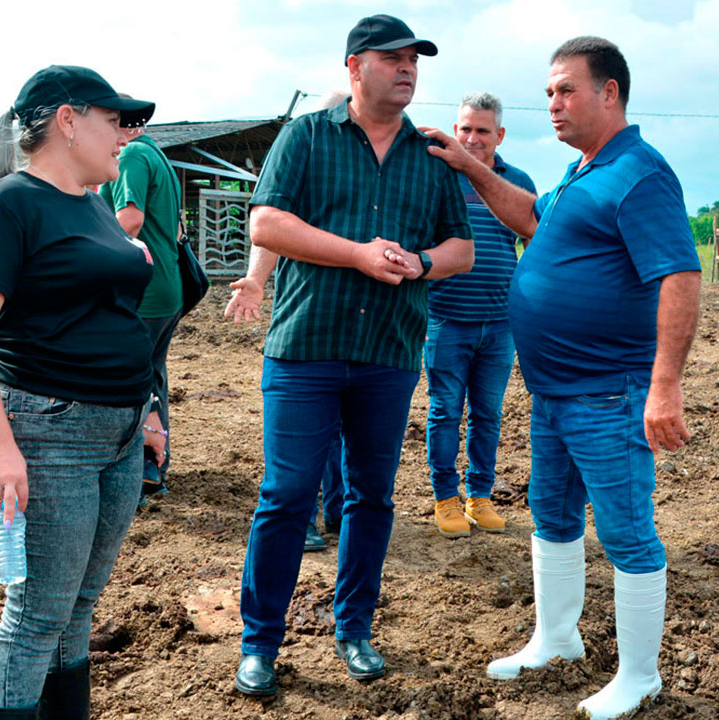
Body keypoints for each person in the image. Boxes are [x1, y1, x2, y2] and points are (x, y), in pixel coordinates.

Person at [424, 37, 701, 719]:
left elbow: (680, 274)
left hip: (610, 392)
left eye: (566, 89)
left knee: (627, 530)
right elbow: (529, 216)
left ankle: (639, 675)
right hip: (553, 393)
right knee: (551, 514)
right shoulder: (583, 172)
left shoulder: (640, 173)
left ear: (609, 93)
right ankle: (556, 638)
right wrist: (470, 163)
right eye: (548, 92)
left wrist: (665, 386)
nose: (553, 103)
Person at [233, 14, 473, 697]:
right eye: (392, 58)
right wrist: (358, 255)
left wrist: (420, 262)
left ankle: (354, 629)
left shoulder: (429, 158)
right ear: (353, 67)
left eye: (414, 61)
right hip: (306, 347)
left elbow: (464, 249)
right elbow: (267, 222)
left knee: (372, 497)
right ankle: (261, 643)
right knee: (286, 495)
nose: (407, 69)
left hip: (388, 351)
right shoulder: (306, 137)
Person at [0, 65, 156, 720]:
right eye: (113, 119)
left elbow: (110, 312)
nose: (126, 133)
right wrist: (1, 448)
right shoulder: (8, 203)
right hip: (46, 430)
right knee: (38, 614)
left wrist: (145, 412)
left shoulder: (92, 205)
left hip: (118, 433)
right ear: (67, 121)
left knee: (79, 607)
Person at [224, 90, 350, 553]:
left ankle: (339, 508)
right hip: (310, 318)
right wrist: (256, 280)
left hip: (365, 323)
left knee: (348, 426)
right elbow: (271, 226)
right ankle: (309, 514)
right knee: (312, 428)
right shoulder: (302, 161)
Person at [425, 92, 536, 539]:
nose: (472, 139)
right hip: (446, 318)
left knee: (489, 412)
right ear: (455, 131)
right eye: (465, 129)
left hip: (500, 323)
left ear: (499, 135)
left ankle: (481, 495)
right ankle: (446, 498)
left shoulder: (517, 181)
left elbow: (535, 244)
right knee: (445, 410)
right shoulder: (437, 177)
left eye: (482, 131)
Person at [99, 107, 184, 501]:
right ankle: (154, 467)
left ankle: (140, 468)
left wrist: (82, 241)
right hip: (165, 285)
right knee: (151, 375)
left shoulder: (132, 155)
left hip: (141, 289)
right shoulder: (156, 155)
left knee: (130, 377)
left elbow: (130, 221)